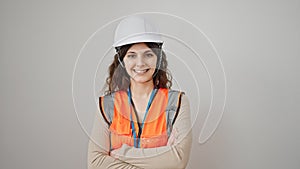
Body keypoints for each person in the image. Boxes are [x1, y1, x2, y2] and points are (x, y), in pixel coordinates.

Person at [88, 15, 192, 169]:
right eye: (131, 55)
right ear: (122, 61)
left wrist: (121, 153)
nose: (140, 63)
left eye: (148, 54)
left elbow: (178, 161)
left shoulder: (177, 103)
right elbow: (95, 163)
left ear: (158, 58)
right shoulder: (106, 106)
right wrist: (161, 159)